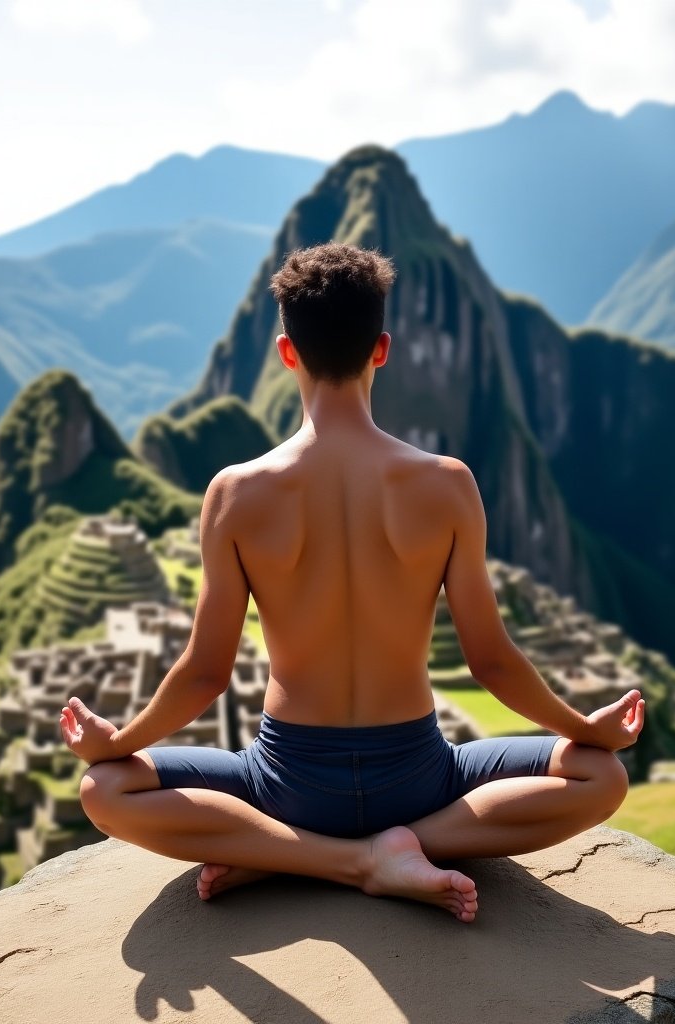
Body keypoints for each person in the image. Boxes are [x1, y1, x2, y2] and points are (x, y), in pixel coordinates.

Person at [59, 242, 644, 924]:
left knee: (104, 789)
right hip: (421, 781)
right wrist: (585, 728)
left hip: (285, 785)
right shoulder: (447, 484)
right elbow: (490, 660)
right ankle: (398, 850)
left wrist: (118, 741)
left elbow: (204, 675)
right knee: (600, 776)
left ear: (286, 354)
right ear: (382, 348)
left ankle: (296, 853)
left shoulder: (235, 494)